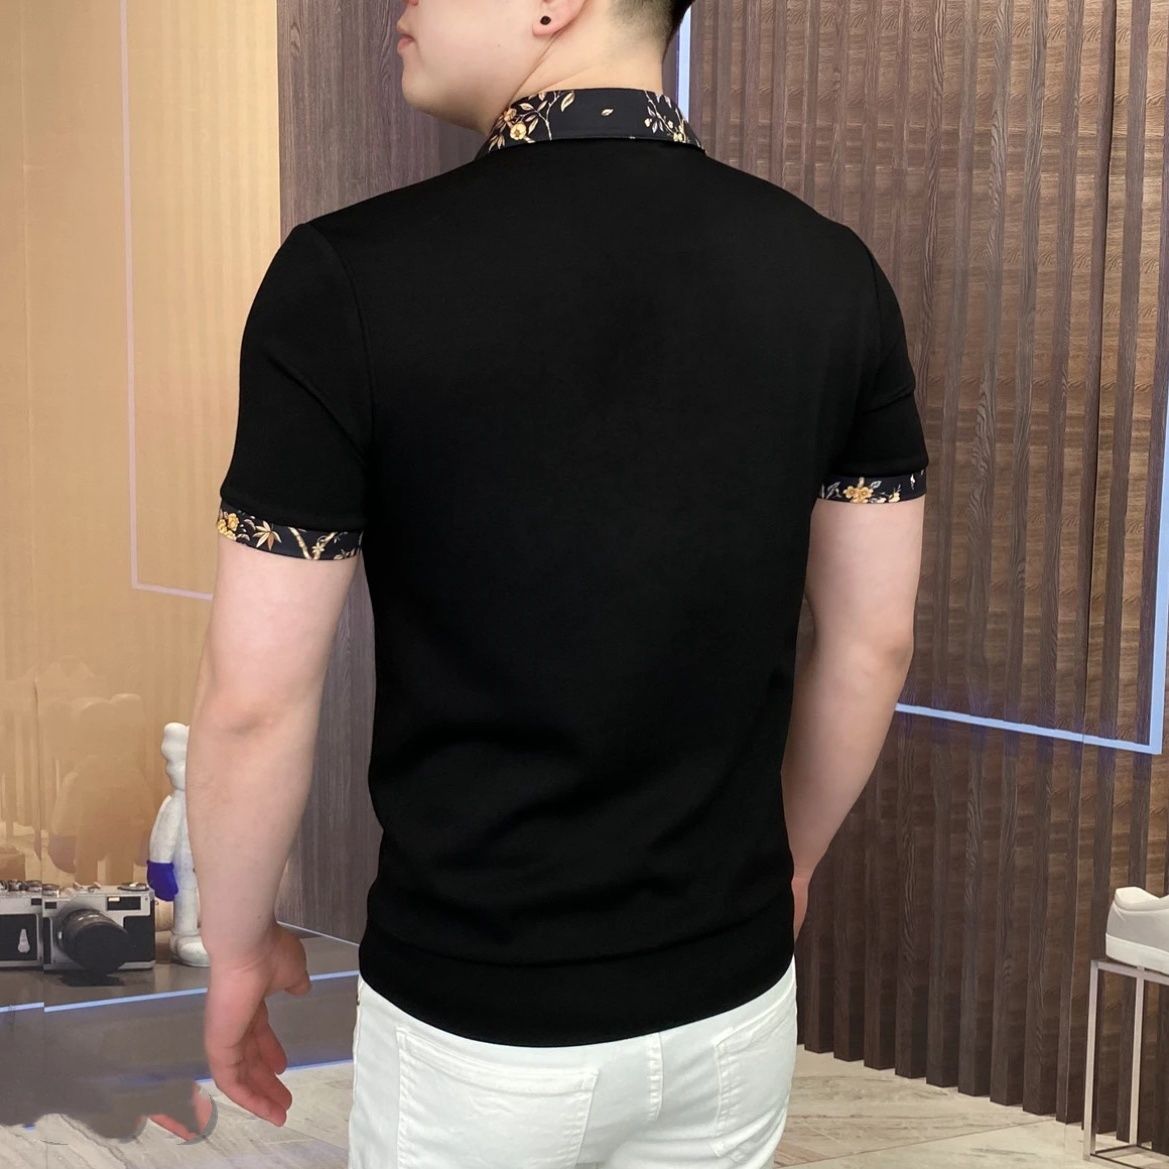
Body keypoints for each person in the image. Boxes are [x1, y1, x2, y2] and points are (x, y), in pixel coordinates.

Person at [189, 0, 929, 1165]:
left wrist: (237, 948)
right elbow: (870, 641)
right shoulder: (832, 274)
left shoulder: (344, 278)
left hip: (477, 1021)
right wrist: (781, 867)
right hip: (728, 1005)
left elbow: (252, 696)